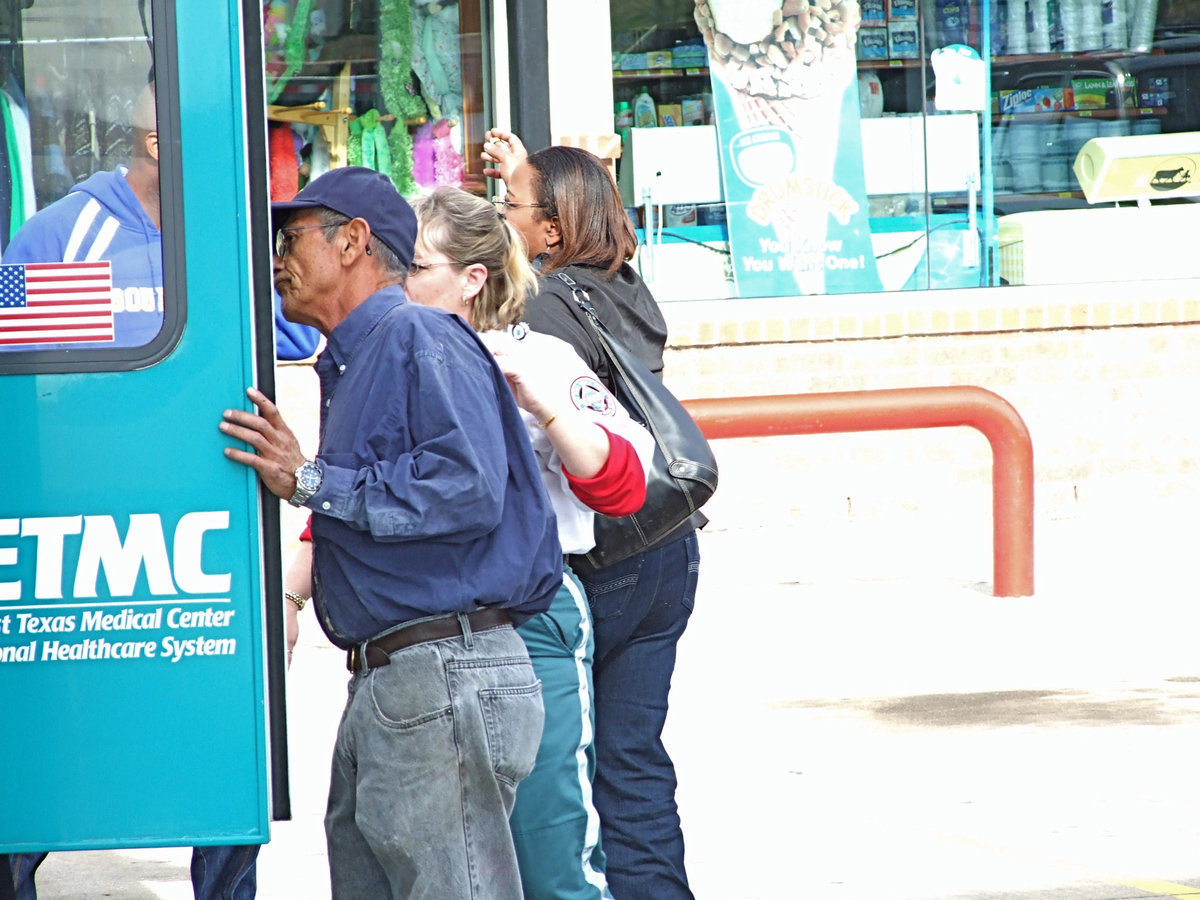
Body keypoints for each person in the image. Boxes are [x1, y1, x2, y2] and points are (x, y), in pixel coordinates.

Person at [219, 165, 562, 898]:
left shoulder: (415, 334)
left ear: (353, 242)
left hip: (444, 670)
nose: (276, 258)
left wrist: (309, 479)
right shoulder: (360, 354)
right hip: (401, 677)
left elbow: (466, 486)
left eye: (291, 238)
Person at [5, 81, 260, 900]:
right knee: (52, 739)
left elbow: (275, 338)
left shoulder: (224, 232)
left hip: (201, 522)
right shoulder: (60, 234)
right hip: (84, 531)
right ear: (157, 143)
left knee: (220, 746)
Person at [406, 185, 654, 899]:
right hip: (421, 630)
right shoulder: (392, 355)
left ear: (471, 277)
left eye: (418, 267)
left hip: (531, 622)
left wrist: (543, 407)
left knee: (551, 863)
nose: (403, 282)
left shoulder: (536, 356)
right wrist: (295, 593)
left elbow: (622, 487)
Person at [483, 132, 704, 900]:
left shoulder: (540, 307)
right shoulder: (627, 284)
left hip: (600, 557)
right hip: (668, 549)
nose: (494, 216)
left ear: (550, 231)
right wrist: (525, 176)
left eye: (505, 207)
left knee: (574, 772)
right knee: (636, 757)